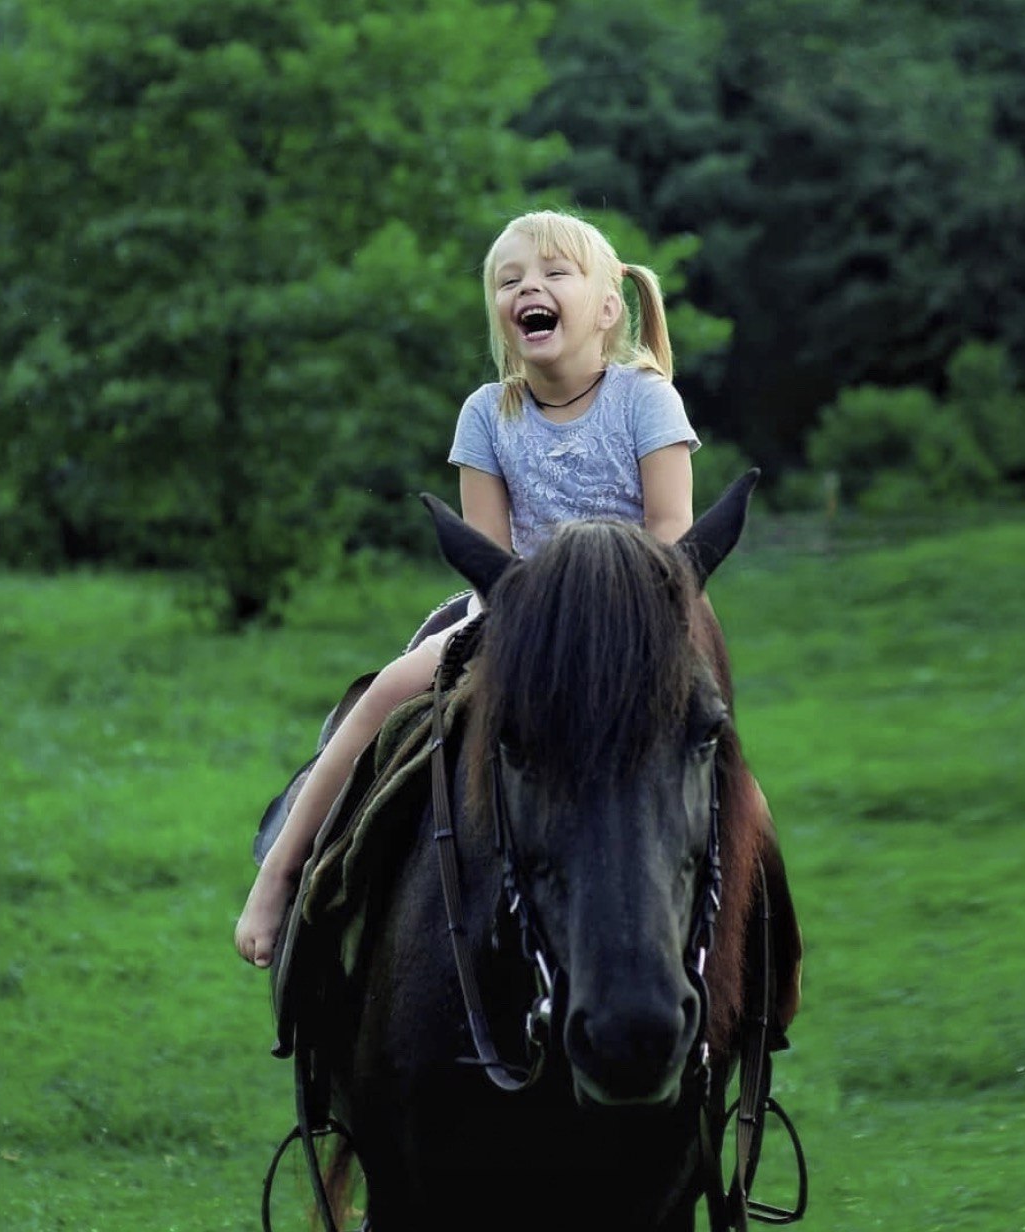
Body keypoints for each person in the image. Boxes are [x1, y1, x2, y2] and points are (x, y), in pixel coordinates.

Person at [234, 209, 700, 967]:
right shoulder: (488, 414)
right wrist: (532, 622)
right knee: (385, 693)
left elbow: (671, 526)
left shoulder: (645, 401)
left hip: (635, 613)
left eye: (553, 274)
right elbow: (486, 552)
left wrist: (618, 618)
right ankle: (286, 873)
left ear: (608, 308)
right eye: (509, 280)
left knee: (714, 744)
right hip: (516, 615)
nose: (529, 289)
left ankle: (769, 941)